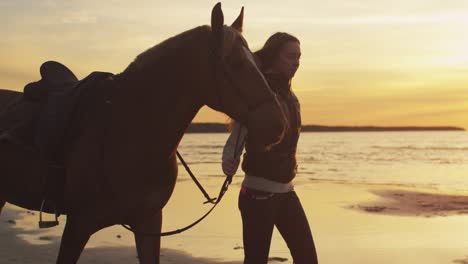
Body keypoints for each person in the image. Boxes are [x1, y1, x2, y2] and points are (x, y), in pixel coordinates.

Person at [222, 32, 318, 264]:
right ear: (274, 57)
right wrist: (228, 159)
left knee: (307, 259)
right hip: (258, 196)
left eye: (299, 57)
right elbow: (239, 131)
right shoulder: (260, 94)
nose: (296, 63)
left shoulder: (290, 95)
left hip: (286, 192)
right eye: (290, 56)